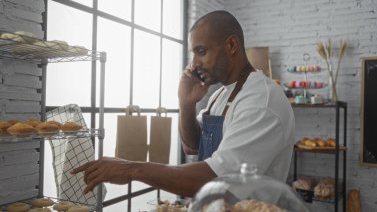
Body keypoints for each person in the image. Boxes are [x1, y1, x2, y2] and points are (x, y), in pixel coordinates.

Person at [71, 10, 295, 198]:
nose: (194, 63)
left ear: (232, 45)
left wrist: (131, 169)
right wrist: (186, 104)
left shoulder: (261, 101)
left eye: (201, 51)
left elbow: (218, 180)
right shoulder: (220, 95)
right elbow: (192, 146)